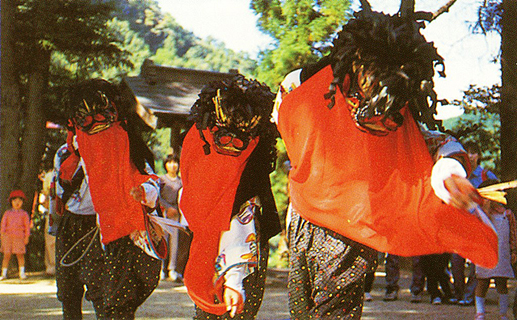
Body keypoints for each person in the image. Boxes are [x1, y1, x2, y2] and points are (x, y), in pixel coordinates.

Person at [273, 6, 499, 318]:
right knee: (301, 313)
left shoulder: (396, 106)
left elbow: (436, 142)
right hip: (303, 217)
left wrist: (451, 173)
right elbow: (284, 117)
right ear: (356, 63)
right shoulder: (307, 87)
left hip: (353, 229)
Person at [179, 74, 281, 319]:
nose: (232, 146)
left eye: (240, 141)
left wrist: (234, 280)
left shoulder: (249, 179)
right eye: (224, 138)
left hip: (242, 260)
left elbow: (242, 220)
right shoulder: (204, 160)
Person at [65, 78, 162, 319]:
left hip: (135, 232)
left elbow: (150, 179)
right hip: (104, 230)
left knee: (116, 304)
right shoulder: (85, 144)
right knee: (109, 302)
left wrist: (142, 194)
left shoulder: (127, 141)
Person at [50, 142, 106, 319]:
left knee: (101, 289)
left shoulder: (108, 147)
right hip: (70, 222)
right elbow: (55, 191)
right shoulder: (64, 152)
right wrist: (55, 225)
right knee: (68, 290)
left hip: (100, 223)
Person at [451, 141, 498, 306]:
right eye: (467, 153)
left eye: (473, 152)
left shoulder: (486, 175)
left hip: (479, 224)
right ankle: (458, 292)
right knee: (456, 260)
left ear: (478, 155)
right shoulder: (457, 176)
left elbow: (498, 193)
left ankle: (469, 295)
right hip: (460, 224)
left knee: (475, 265)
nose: (470, 156)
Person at [474, 179, 516, 320]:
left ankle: (502, 313)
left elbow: (513, 233)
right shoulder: (479, 214)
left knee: (501, 282)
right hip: (484, 253)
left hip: (502, 253)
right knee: (482, 281)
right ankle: (480, 312)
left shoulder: (507, 214)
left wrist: (514, 250)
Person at [159, 153, 189, 282]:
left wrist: (176, 209)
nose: (173, 165)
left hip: (177, 214)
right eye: (170, 162)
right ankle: (161, 269)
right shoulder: (161, 180)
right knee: (162, 240)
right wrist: (167, 207)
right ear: (165, 164)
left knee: (174, 242)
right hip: (164, 214)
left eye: (175, 162)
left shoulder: (181, 181)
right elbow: (158, 197)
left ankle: (172, 269)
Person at [0, 190, 30, 280]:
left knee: (20, 255)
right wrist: (2, 235)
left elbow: (27, 226)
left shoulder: (24, 214)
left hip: (19, 237)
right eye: (15, 200)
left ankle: (22, 273)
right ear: (11, 202)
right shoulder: (7, 213)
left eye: (20, 201)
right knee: (6, 255)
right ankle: (3, 273)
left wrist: (27, 237)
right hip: (8, 237)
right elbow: (3, 225)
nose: (17, 203)